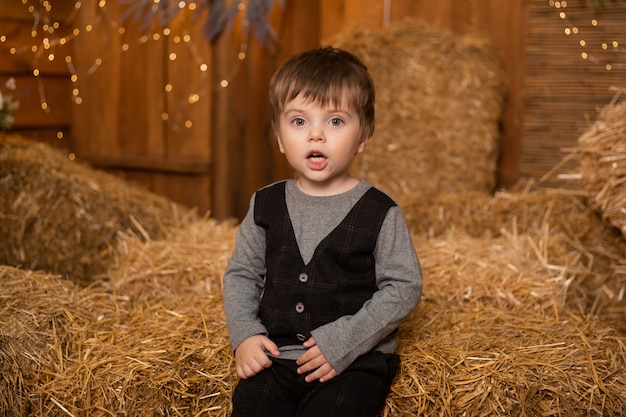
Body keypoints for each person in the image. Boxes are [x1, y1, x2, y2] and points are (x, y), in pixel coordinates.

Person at [222, 46, 422, 417]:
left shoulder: (381, 211)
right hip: (275, 358)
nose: (316, 135)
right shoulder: (265, 204)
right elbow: (242, 274)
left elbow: (404, 287)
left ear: (364, 135)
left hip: (352, 361)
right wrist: (246, 335)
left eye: (334, 121)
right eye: (299, 122)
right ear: (280, 137)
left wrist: (345, 340)